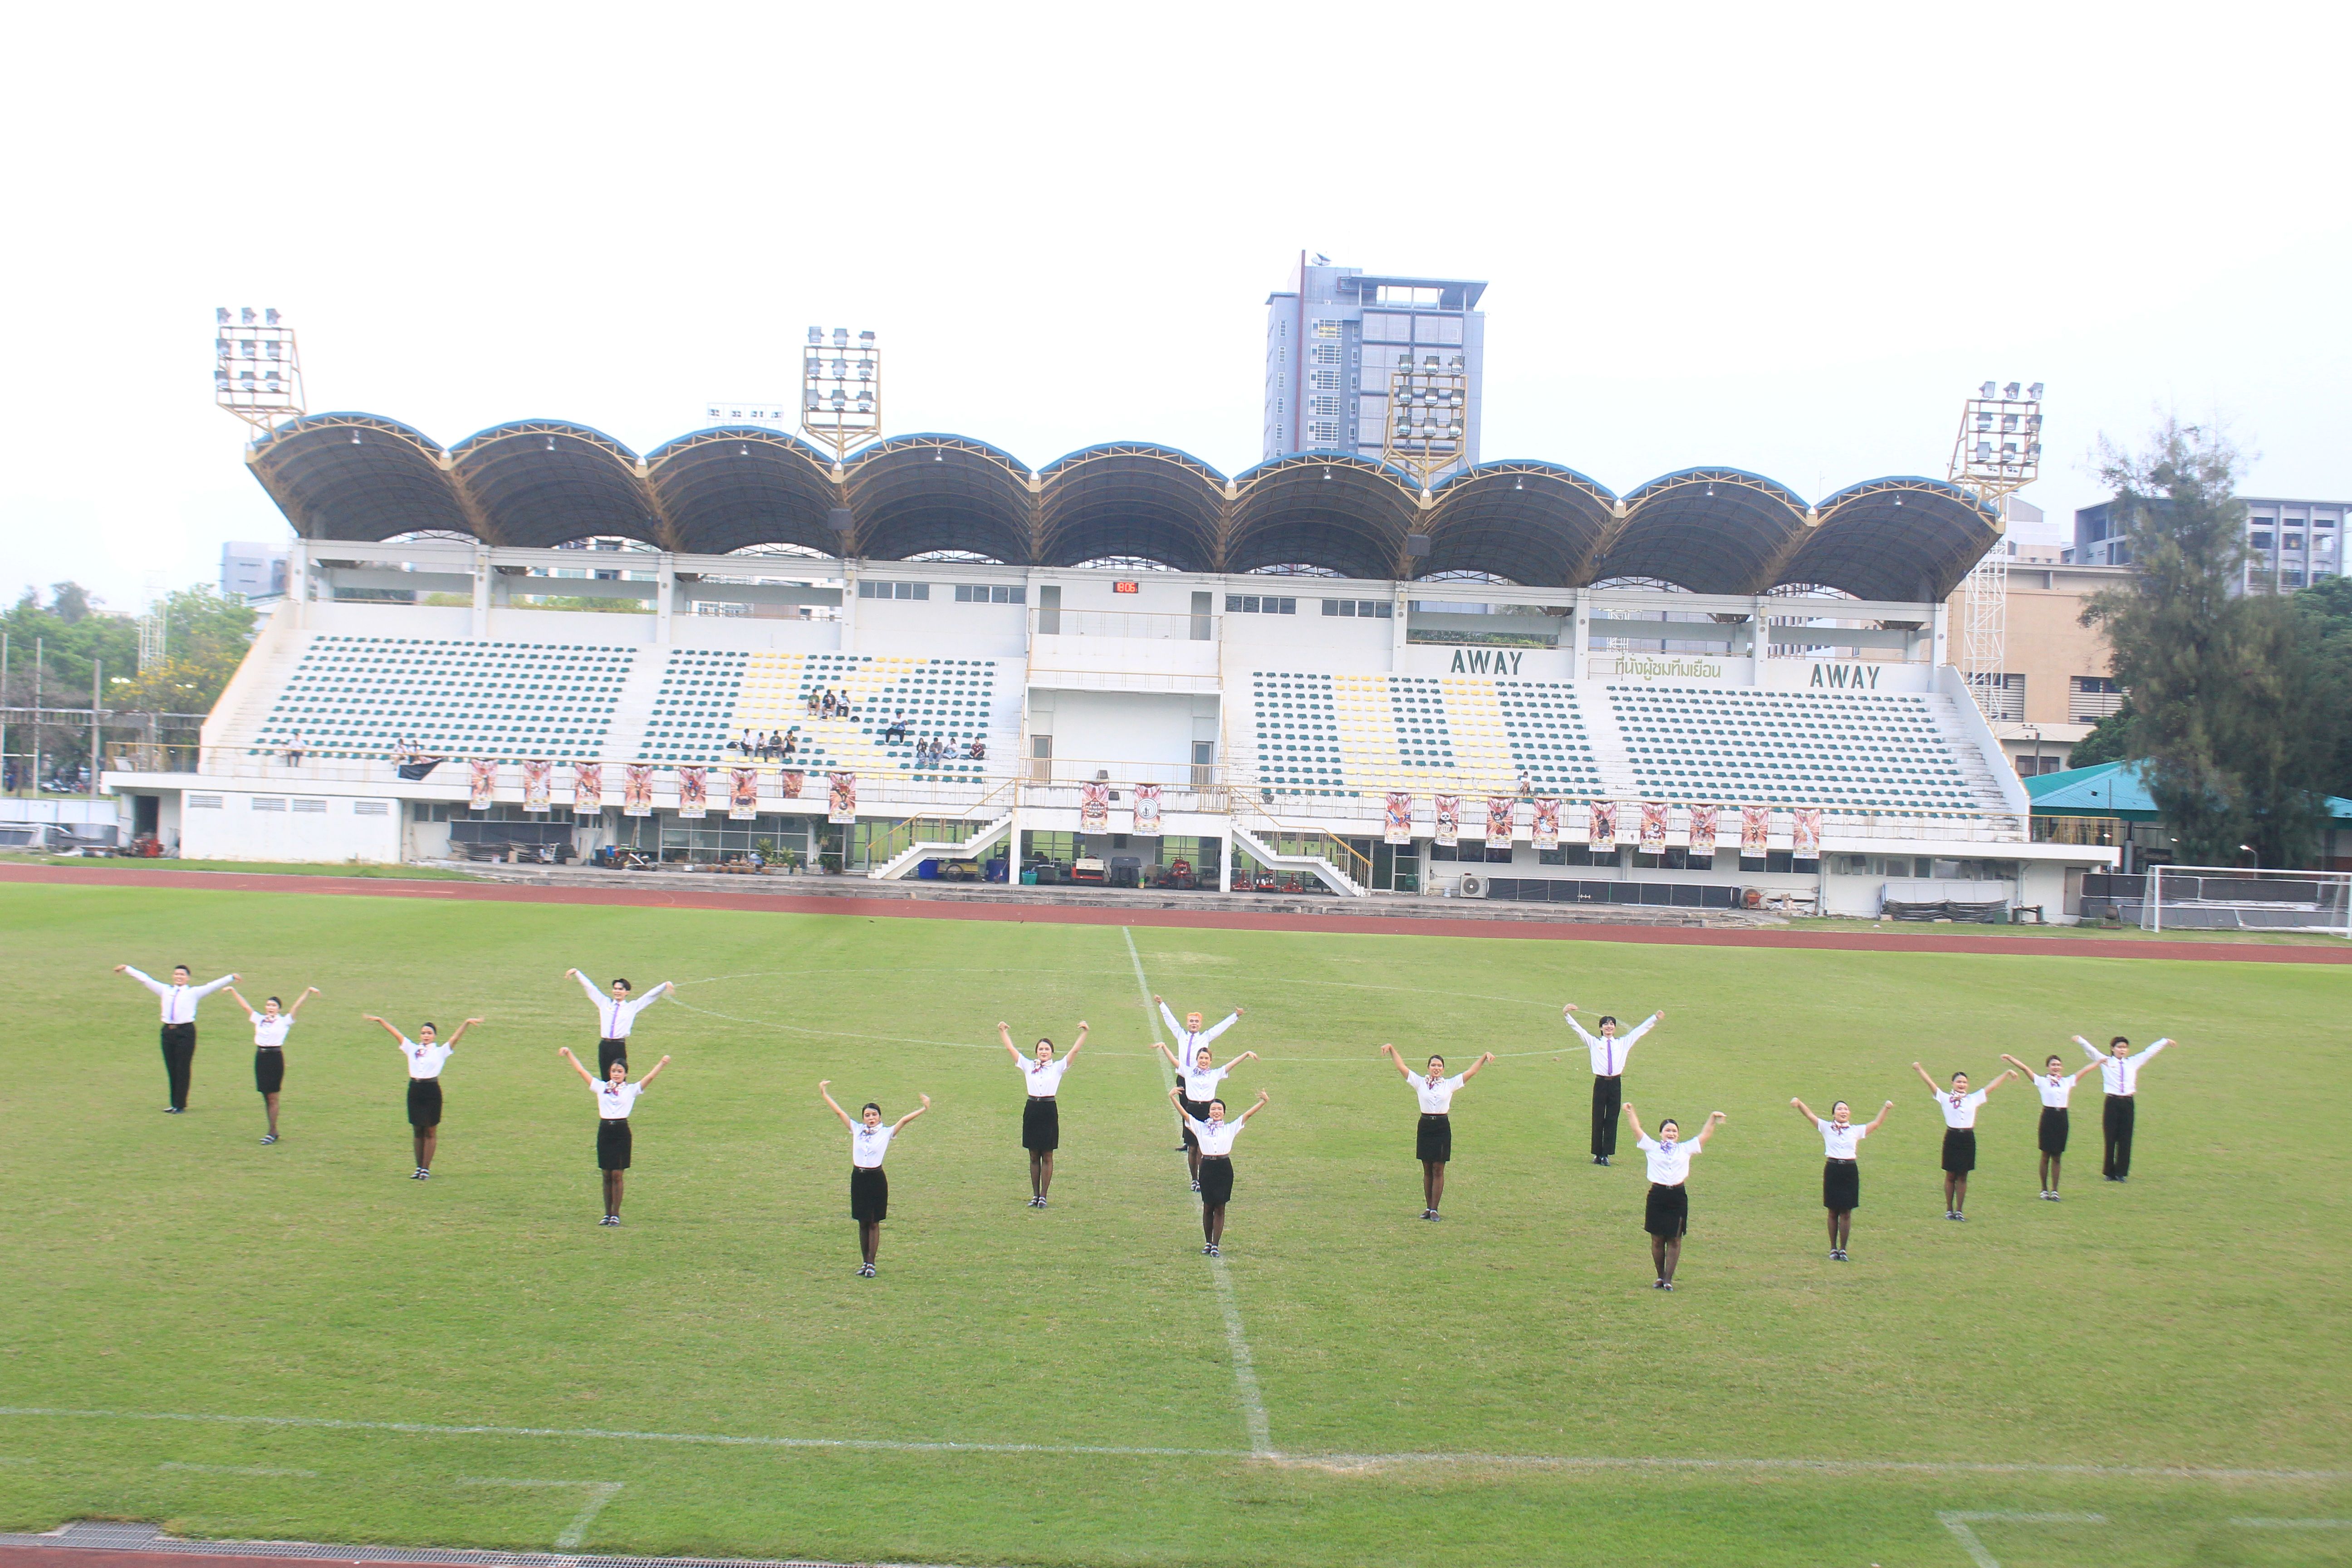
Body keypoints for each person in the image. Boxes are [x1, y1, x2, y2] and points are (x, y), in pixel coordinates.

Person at [821, 1080, 931, 1275]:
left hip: (876, 1179)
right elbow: (839, 1113)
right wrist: (824, 1094)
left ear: (880, 1117)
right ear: (863, 1118)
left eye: (874, 1115)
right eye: (867, 1115)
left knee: (873, 1222)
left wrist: (924, 1109)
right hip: (859, 1178)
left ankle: (872, 1263)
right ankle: (865, 1262)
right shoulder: (857, 1130)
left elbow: (904, 1121)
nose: (871, 1118)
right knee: (862, 1222)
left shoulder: (886, 1133)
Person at [558, 1044, 671, 1225]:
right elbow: (581, 1071)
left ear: (626, 1074)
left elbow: (649, 1078)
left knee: (617, 1174)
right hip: (605, 1131)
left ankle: (616, 1214)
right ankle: (607, 1213)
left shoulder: (631, 1090)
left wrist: (662, 1064)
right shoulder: (601, 1087)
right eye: (613, 1071)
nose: (616, 1074)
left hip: (621, 1132)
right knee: (606, 1174)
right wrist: (569, 1054)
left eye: (620, 1071)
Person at [1380, 1043, 1495, 1220]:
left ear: (1443, 1069)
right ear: (1428, 1067)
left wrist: (1484, 1057)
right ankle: (1428, 1208)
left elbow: (1471, 1072)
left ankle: (1435, 1209)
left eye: (1439, 1066)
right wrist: (1391, 1049)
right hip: (1425, 1126)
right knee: (1427, 1168)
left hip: (1441, 1127)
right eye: (1433, 1065)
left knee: (1438, 1169)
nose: (1436, 1068)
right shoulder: (1420, 1083)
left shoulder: (1449, 1084)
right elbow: (1401, 1067)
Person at [1152, 996, 1255, 1189]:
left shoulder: (1205, 1038)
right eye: (1191, 1021)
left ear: (1200, 1024)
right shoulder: (1181, 1035)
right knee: (1185, 1111)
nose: (1193, 1024)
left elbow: (1220, 1028)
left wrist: (1235, 1016)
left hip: (1203, 1089)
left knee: (1200, 1139)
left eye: (1196, 1021)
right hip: (1185, 1076)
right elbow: (1170, 1021)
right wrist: (1162, 1005)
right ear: (1188, 1023)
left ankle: (1199, 1163)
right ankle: (1189, 1143)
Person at [364, 1014, 483, 1179]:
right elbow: (396, 1034)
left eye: (429, 1033)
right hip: (415, 1089)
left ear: (434, 1036)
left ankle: (426, 1168)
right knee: (417, 1129)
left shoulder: (440, 1052)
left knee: (430, 1130)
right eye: (423, 1033)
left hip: (431, 1090)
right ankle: (419, 1167)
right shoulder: (412, 1049)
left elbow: (455, 1038)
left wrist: (466, 1023)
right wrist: (381, 1021)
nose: (426, 1036)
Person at [1623, 1102, 1725, 1289]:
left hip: (1677, 1197)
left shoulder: (1685, 1149)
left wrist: (1712, 1119)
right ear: (1661, 1133)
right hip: (1657, 1196)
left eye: (1674, 1131)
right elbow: (1637, 1129)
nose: (1671, 1134)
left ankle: (1669, 1280)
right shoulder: (1652, 1147)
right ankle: (1660, 1277)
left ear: (1678, 1135)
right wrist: (1630, 1112)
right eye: (1668, 1131)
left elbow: (1704, 1136)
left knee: (1675, 1238)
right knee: (1657, 1239)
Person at [115, 962, 239, 1113]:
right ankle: (174, 1103)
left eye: (182, 975)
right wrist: (127, 969)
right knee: (172, 1068)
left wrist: (231, 978)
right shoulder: (165, 990)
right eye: (177, 974)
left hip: (185, 1032)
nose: (179, 977)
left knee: (183, 1068)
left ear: (188, 978)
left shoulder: (193, 993)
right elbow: (146, 980)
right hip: (168, 1032)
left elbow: (212, 986)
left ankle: (180, 1104)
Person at [1788, 1095, 1892, 1259]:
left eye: (1846, 1109)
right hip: (1833, 1169)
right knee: (1832, 1211)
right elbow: (1810, 1115)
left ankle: (1843, 1249)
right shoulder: (1826, 1128)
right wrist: (1799, 1104)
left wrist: (1886, 1108)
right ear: (1834, 1113)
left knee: (1846, 1212)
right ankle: (1833, 1249)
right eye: (1840, 1109)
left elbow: (1876, 1123)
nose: (1843, 1112)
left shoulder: (1855, 1131)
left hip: (1849, 1171)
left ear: (1849, 1113)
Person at [1168, 1086, 1269, 1257]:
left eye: (1220, 1109)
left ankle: (1216, 1244)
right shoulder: (1200, 1127)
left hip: (1224, 1168)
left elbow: (1248, 1115)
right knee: (1208, 1206)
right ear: (1209, 1112)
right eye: (1214, 1109)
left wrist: (1264, 1101)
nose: (1216, 1112)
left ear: (1224, 1113)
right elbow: (1185, 1115)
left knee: (1221, 1207)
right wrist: (1172, 1098)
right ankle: (1208, 1242)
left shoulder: (1230, 1128)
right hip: (1207, 1167)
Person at [1911, 1062, 2018, 1220]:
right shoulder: (1945, 1098)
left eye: (1965, 1082)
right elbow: (1931, 1084)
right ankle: (1949, 1210)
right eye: (1959, 1082)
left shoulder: (1973, 1099)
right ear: (1953, 1083)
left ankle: (1959, 1211)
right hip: (1952, 1137)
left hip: (1968, 1139)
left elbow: (1992, 1087)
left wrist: (2007, 1073)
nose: (1962, 1085)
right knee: (1950, 1175)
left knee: (1963, 1176)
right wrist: (1919, 1069)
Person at [1561, 1004, 1663, 1166]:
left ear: (1615, 1028)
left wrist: (1655, 1018)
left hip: (1615, 1083)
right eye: (1606, 1024)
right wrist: (1567, 1015)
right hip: (1600, 1083)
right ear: (1601, 1028)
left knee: (1612, 1119)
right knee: (1598, 1118)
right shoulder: (1594, 1042)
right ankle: (1597, 1154)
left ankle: (1606, 1155)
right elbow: (1579, 1030)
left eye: (1611, 1024)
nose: (1609, 1027)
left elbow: (1639, 1031)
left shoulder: (1623, 1043)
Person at [1000, 1020, 1086, 1207]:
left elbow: (1075, 1051)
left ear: (1052, 1052)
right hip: (1032, 1110)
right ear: (1037, 1052)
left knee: (1047, 1155)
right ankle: (1035, 1195)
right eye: (1041, 1049)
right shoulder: (1028, 1065)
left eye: (1047, 1049)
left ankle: (1044, 1196)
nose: (1044, 1052)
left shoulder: (1058, 1067)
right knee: (1033, 1155)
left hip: (1048, 1111)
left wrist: (1084, 1033)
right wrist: (1003, 1031)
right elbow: (1010, 1049)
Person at [221, 982, 319, 1144]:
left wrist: (308, 992)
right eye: (268, 1005)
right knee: (266, 1095)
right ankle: (273, 1130)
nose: (270, 1008)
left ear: (279, 1009)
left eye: (274, 1006)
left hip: (274, 1058)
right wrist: (233, 991)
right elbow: (246, 1007)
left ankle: (272, 1132)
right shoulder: (260, 1020)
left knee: (273, 1096)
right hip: (261, 1057)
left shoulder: (284, 1021)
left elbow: (297, 1006)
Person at [2002, 1050, 2102, 1199]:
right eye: (2053, 1065)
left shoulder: (2067, 1081)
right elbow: (2025, 1069)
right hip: (2048, 1118)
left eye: (2058, 1065)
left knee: (2057, 1156)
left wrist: (2099, 1062)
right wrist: (2010, 1058)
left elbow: (2085, 1071)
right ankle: (2044, 1189)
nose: (2056, 1067)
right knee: (2045, 1155)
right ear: (2048, 1067)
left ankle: (2055, 1190)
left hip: (2062, 1118)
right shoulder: (2042, 1081)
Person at [2075, 1033, 2176, 1182]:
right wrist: (2080, 1040)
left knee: (2126, 1138)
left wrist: (2165, 1041)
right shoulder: (2106, 1061)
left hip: (2128, 1103)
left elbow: (2149, 1052)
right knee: (2110, 1137)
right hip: (2112, 1102)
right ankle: (2109, 1172)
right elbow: (2092, 1051)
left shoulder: (2133, 1062)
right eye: (2119, 1047)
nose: (2122, 1050)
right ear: (2112, 1048)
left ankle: (2121, 1173)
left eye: (2125, 1047)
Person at [565, 968, 676, 1073]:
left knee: (619, 1077)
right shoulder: (604, 1003)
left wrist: (665, 985)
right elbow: (591, 988)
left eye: (620, 989)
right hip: (604, 1045)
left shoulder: (632, 1007)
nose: (617, 991)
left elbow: (649, 997)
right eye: (615, 989)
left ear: (627, 992)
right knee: (605, 1078)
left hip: (619, 1046)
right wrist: (577, 973)